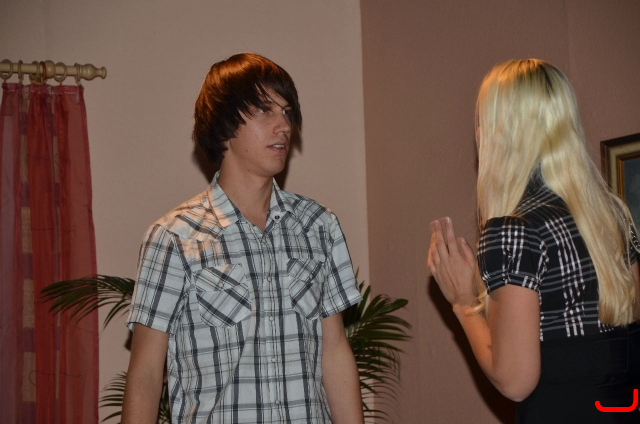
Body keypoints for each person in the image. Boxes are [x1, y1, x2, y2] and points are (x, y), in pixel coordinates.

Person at [122, 53, 364, 424]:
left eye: (287, 112)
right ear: (224, 126)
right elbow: (146, 375)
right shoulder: (173, 237)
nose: (283, 125)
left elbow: (335, 353)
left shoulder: (319, 226)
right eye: (265, 110)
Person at [427, 59, 640, 423]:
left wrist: (463, 303)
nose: (477, 133)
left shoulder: (513, 229)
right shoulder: (614, 216)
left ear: (501, 134)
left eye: (483, 121)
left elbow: (516, 382)